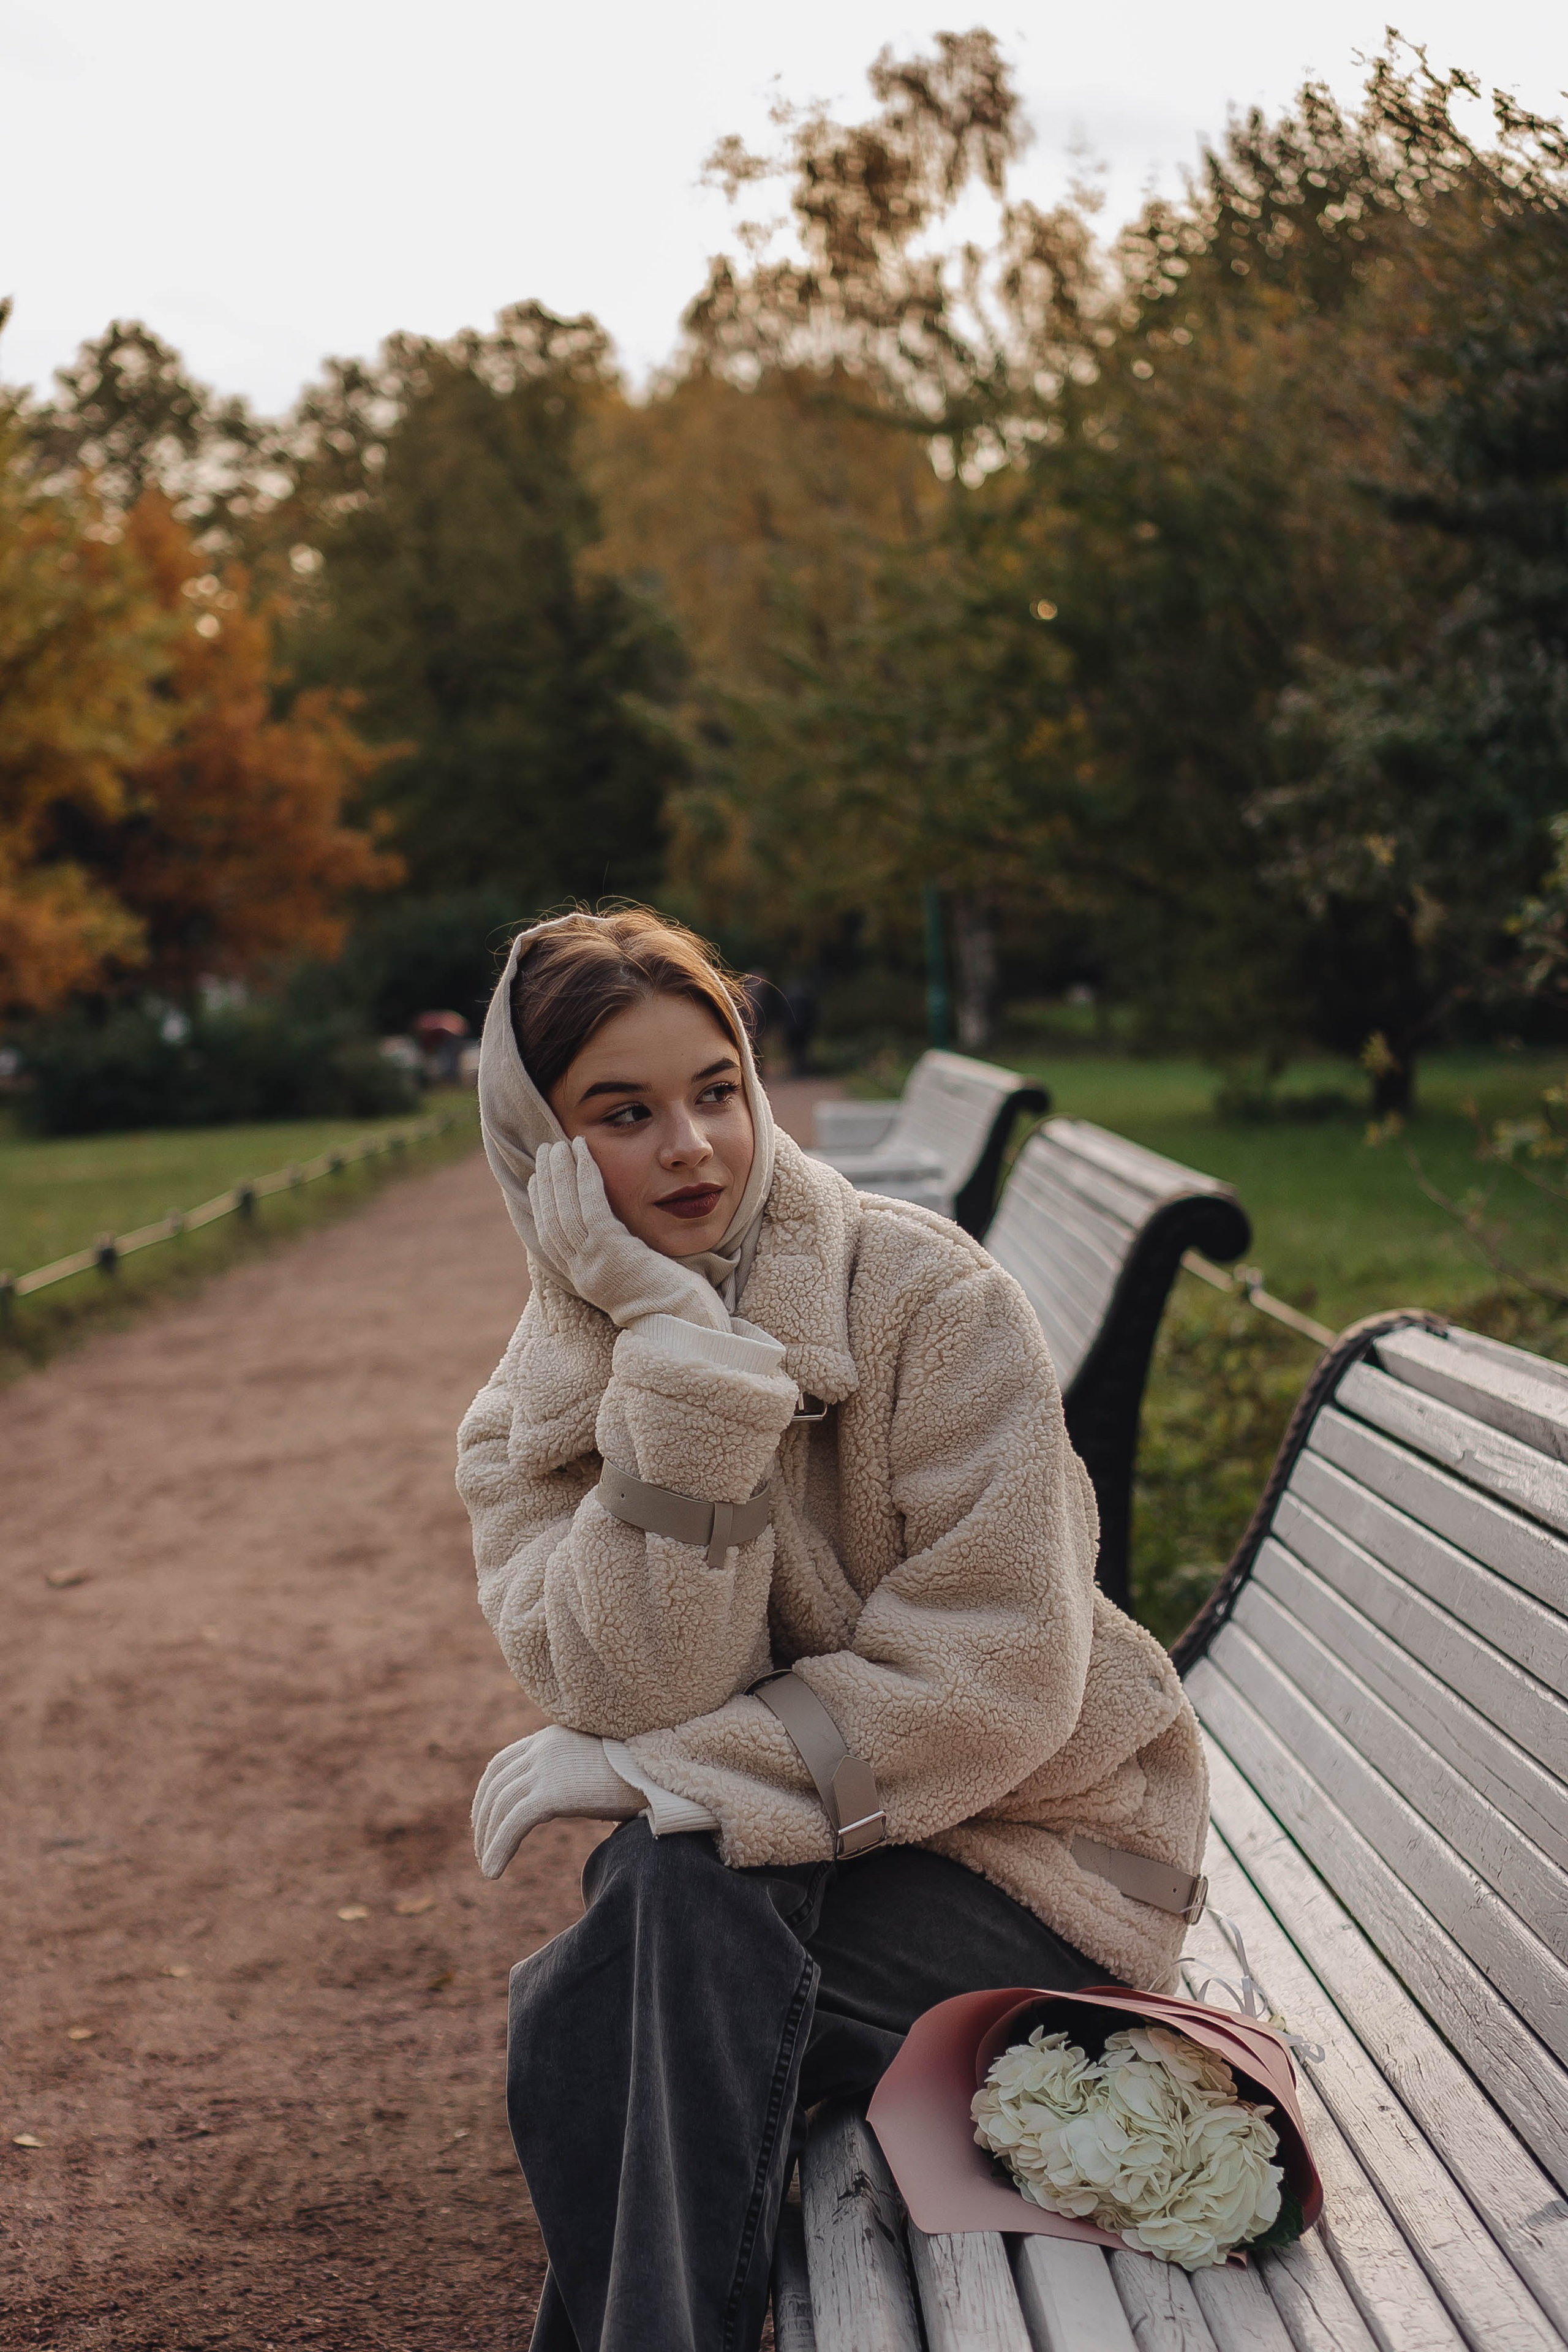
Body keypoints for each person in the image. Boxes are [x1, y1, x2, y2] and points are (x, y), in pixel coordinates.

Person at [458, 907, 1208, 2352]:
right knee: (653, 1940)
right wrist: (682, 1367)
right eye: (624, 1113)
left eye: (716, 1089)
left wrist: (667, 1778)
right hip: (816, 1879)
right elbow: (638, 1678)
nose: (692, 1147)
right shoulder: (533, 1415)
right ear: (535, 1157)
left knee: (644, 1939)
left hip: (1055, 1858)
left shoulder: (928, 1300)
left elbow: (993, 1684)